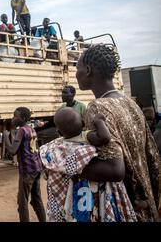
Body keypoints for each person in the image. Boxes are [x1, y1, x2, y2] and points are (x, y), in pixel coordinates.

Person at [76, 44, 161, 221]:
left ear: (89, 70)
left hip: (123, 208)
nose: (76, 74)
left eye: (78, 68)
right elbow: (152, 157)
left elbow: (115, 170)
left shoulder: (98, 107)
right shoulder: (130, 103)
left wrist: (70, 167)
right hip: (145, 205)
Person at [40, 107, 136, 222]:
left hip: (74, 201)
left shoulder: (57, 149)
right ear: (83, 123)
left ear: (59, 132)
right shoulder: (87, 136)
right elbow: (105, 138)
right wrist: (99, 121)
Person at [3, 107, 46, 222]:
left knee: (22, 202)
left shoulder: (21, 130)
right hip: (37, 168)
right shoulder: (31, 129)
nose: (12, 118)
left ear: (22, 118)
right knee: (37, 199)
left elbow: (12, 151)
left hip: (27, 170)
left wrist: (5, 137)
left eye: (15, 116)